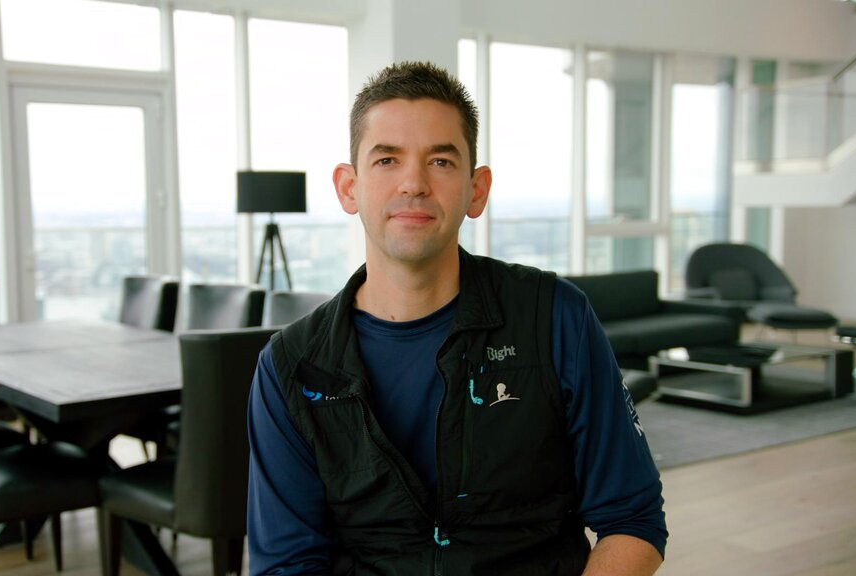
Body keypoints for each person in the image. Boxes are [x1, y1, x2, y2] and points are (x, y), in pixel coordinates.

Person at [247, 61, 667, 575]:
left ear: (477, 188)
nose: (413, 184)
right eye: (387, 160)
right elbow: (287, 565)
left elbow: (633, 517)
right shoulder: (291, 367)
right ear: (348, 187)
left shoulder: (556, 317)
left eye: (441, 161)